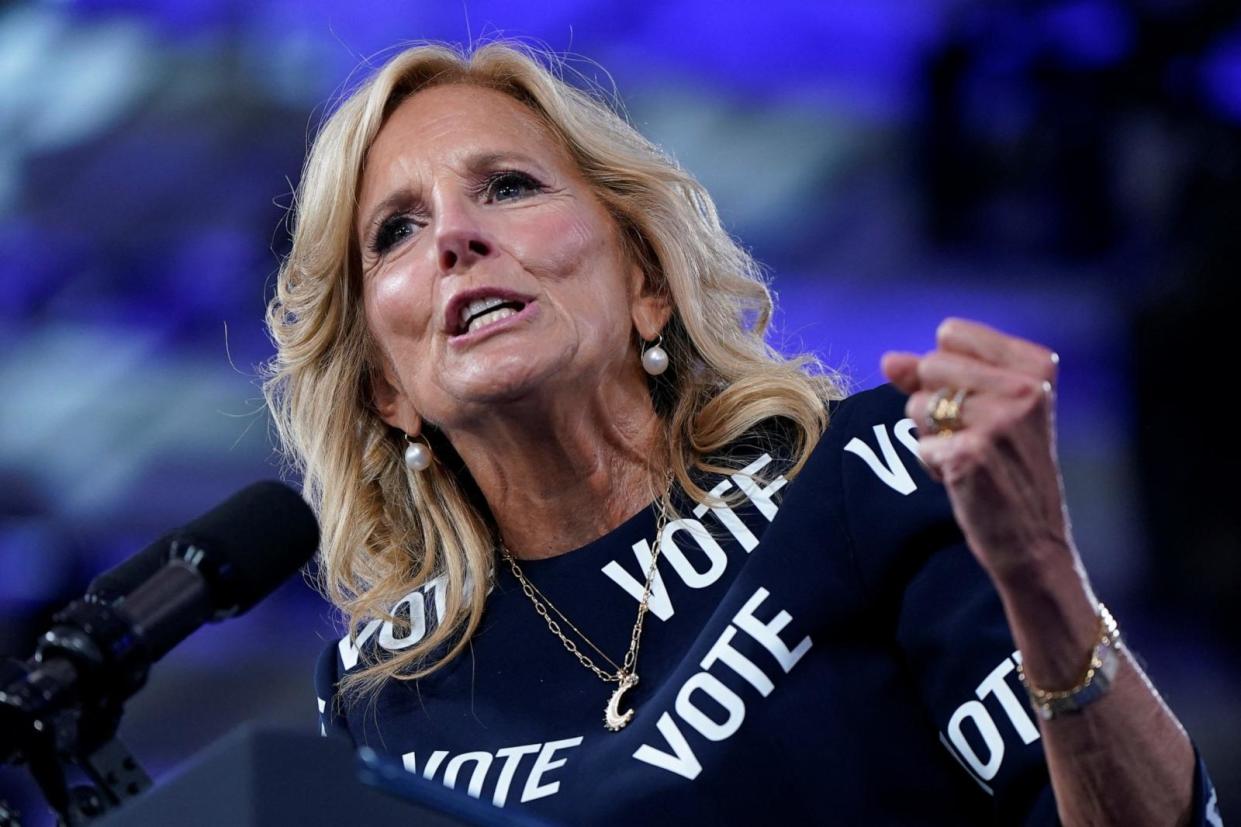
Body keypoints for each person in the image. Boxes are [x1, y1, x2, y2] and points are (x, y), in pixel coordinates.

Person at [263, 42, 1220, 825]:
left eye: (508, 185)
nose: (454, 239)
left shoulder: (864, 475)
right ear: (386, 388)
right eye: (394, 231)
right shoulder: (383, 695)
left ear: (645, 283)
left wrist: (1041, 577)